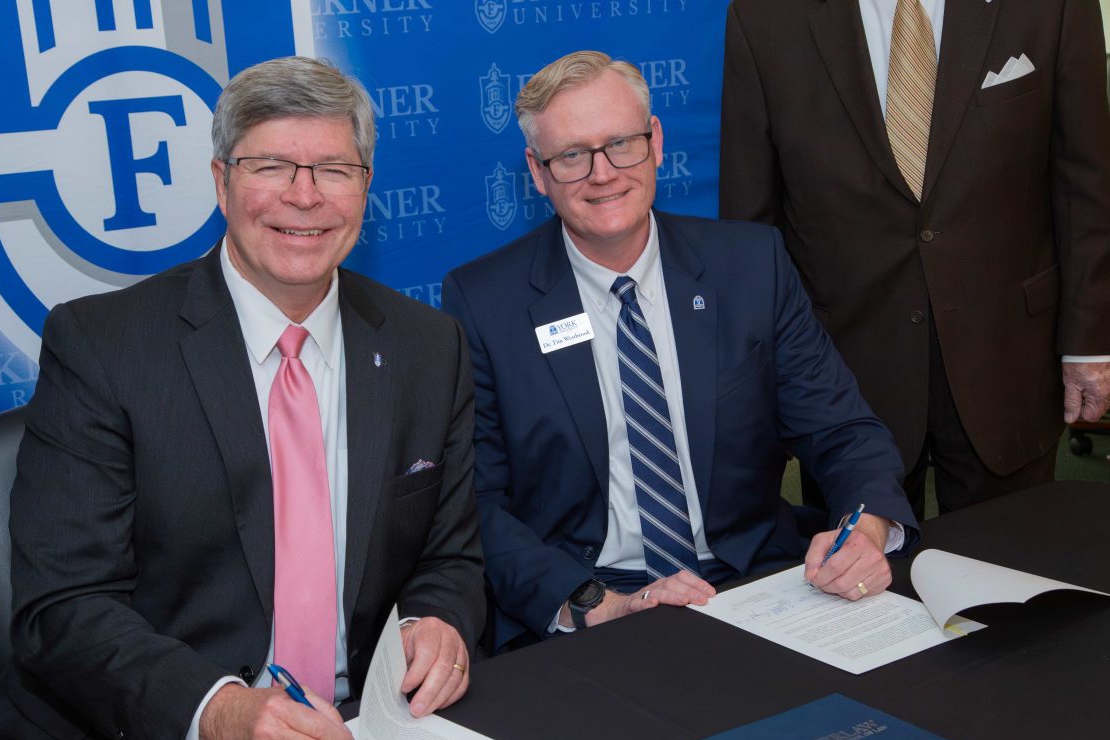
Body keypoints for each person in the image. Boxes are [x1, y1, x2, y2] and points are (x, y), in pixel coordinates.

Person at [0, 57, 484, 740]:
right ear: (221, 183)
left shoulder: (426, 345)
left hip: (362, 738)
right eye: (272, 165)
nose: (304, 195)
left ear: (366, 188)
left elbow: (451, 557)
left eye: (334, 168)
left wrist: (439, 622)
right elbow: (64, 608)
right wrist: (219, 712)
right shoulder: (104, 346)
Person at [442, 51, 916, 655]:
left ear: (656, 141)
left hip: (753, 579)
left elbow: (844, 431)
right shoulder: (484, 301)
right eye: (571, 156)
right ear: (537, 172)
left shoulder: (750, 265)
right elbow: (475, 503)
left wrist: (865, 529)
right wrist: (593, 605)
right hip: (593, 599)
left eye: (621, 143)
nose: (603, 172)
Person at [719, 0, 1110, 517]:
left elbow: (1085, 185)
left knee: (1008, 576)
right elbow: (752, 227)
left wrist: (1088, 344)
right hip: (844, 378)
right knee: (860, 587)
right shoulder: (766, 17)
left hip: (1008, 360)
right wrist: (765, 382)